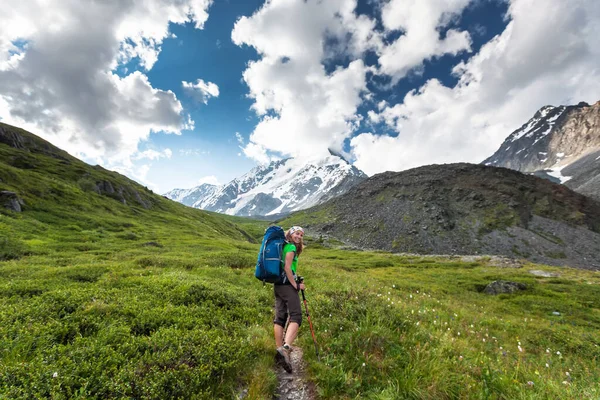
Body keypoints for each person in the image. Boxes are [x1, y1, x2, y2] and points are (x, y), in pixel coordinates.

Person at [273, 225, 306, 373]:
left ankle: (279, 351)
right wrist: (296, 286)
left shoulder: (282, 247)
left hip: (278, 285)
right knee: (296, 316)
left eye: (301, 235)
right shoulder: (291, 248)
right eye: (296, 234)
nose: (299, 237)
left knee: (280, 318)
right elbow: (287, 268)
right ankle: (286, 348)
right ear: (290, 234)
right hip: (287, 285)